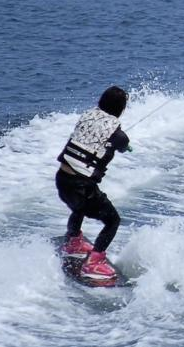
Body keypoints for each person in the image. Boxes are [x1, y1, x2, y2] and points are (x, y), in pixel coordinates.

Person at [55, 86, 131, 280]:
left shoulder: (87, 116)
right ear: (121, 109)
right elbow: (122, 145)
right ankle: (94, 263)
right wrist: (126, 145)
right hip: (81, 187)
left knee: (78, 208)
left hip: (62, 180)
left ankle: (73, 241)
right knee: (113, 220)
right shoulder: (118, 135)